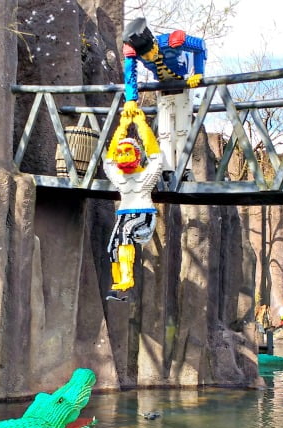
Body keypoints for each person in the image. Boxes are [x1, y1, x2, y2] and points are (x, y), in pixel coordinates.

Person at [120, 17, 206, 177]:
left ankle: (184, 169)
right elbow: (130, 72)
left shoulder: (172, 42)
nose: (147, 58)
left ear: (153, 44)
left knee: (182, 129)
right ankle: (167, 169)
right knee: (165, 132)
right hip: (163, 89)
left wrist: (199, 72)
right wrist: (131, 99)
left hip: (182, 85)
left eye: (148, 54)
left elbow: (200, 46)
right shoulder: (135, 53)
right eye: (143, 57)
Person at [104, 108, 163, 302]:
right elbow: (109, 161)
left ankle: (128, 277)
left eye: (127, 151)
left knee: (126, 232)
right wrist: (122, 126)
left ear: (137, 155)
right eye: (121, 152)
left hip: (143, 215)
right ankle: (117, 284)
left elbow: (156, 157)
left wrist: (140, 123)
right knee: (112, 246)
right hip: (124, 214)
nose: (122, 155)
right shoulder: (120, 178)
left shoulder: (146, 176)